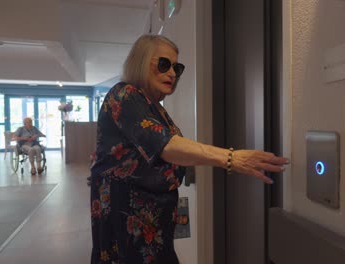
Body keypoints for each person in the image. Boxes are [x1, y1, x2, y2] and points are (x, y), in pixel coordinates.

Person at [89, 34, 289, 264]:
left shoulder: (155, 107)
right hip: (127, 224)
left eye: (177, 67)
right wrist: (232, 158)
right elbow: (166, 145)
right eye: (164, 64)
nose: (172, 73)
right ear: (141, 62)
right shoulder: (124, 94)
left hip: (154, 224)